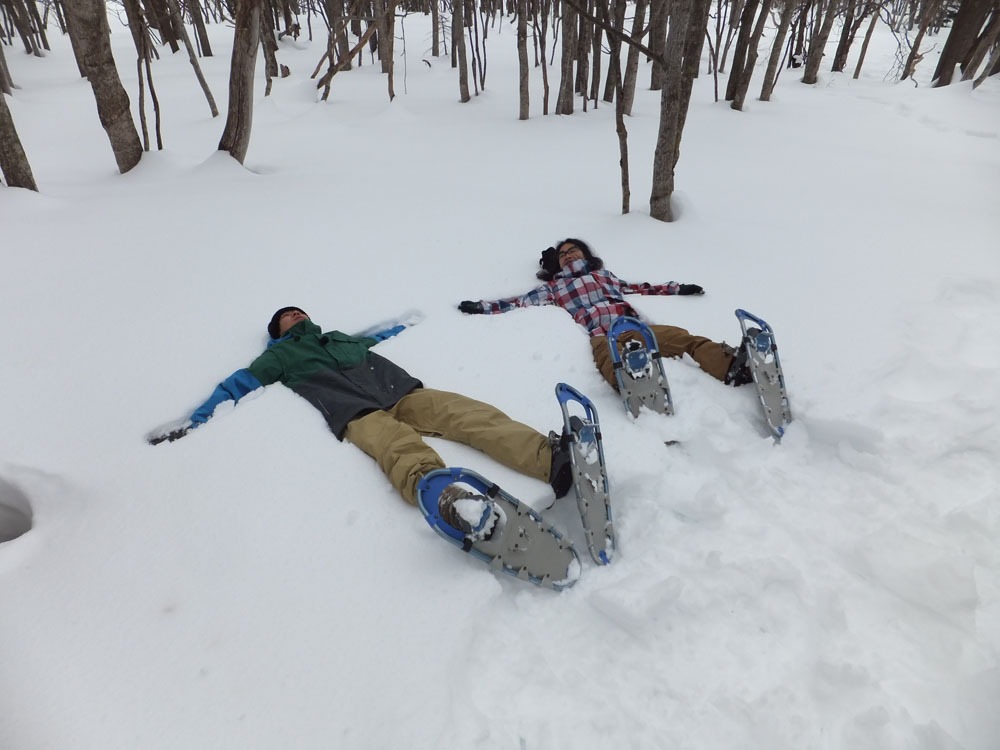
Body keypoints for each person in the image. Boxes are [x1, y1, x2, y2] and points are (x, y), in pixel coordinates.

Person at [148, 306, 574, 541]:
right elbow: (235, 386)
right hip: (355, 411)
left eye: (298, 312)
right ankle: (448, 500)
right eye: (286, 317)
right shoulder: (279, 356)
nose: (295, 316)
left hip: (401, 392)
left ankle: (548, 458)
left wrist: (413, 321)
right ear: (277, 331)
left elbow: (380, 337)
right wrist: (194, 421)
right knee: (399, 448)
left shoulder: (339, 338)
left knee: (468, 414)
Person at [458, 238, 752, 389]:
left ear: (586, 254)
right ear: (556, 265)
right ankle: (632, 384)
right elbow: (516, 302)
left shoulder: (606, 276)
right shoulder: (554, 287)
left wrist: (678, 288)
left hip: (633, 327)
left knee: (686, 339)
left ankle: (731, 367)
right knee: (610, 361)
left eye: (574, 250)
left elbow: (641, 287)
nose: (569, 255)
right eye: (563, 254)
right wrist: (481, 307)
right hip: (602, 337)